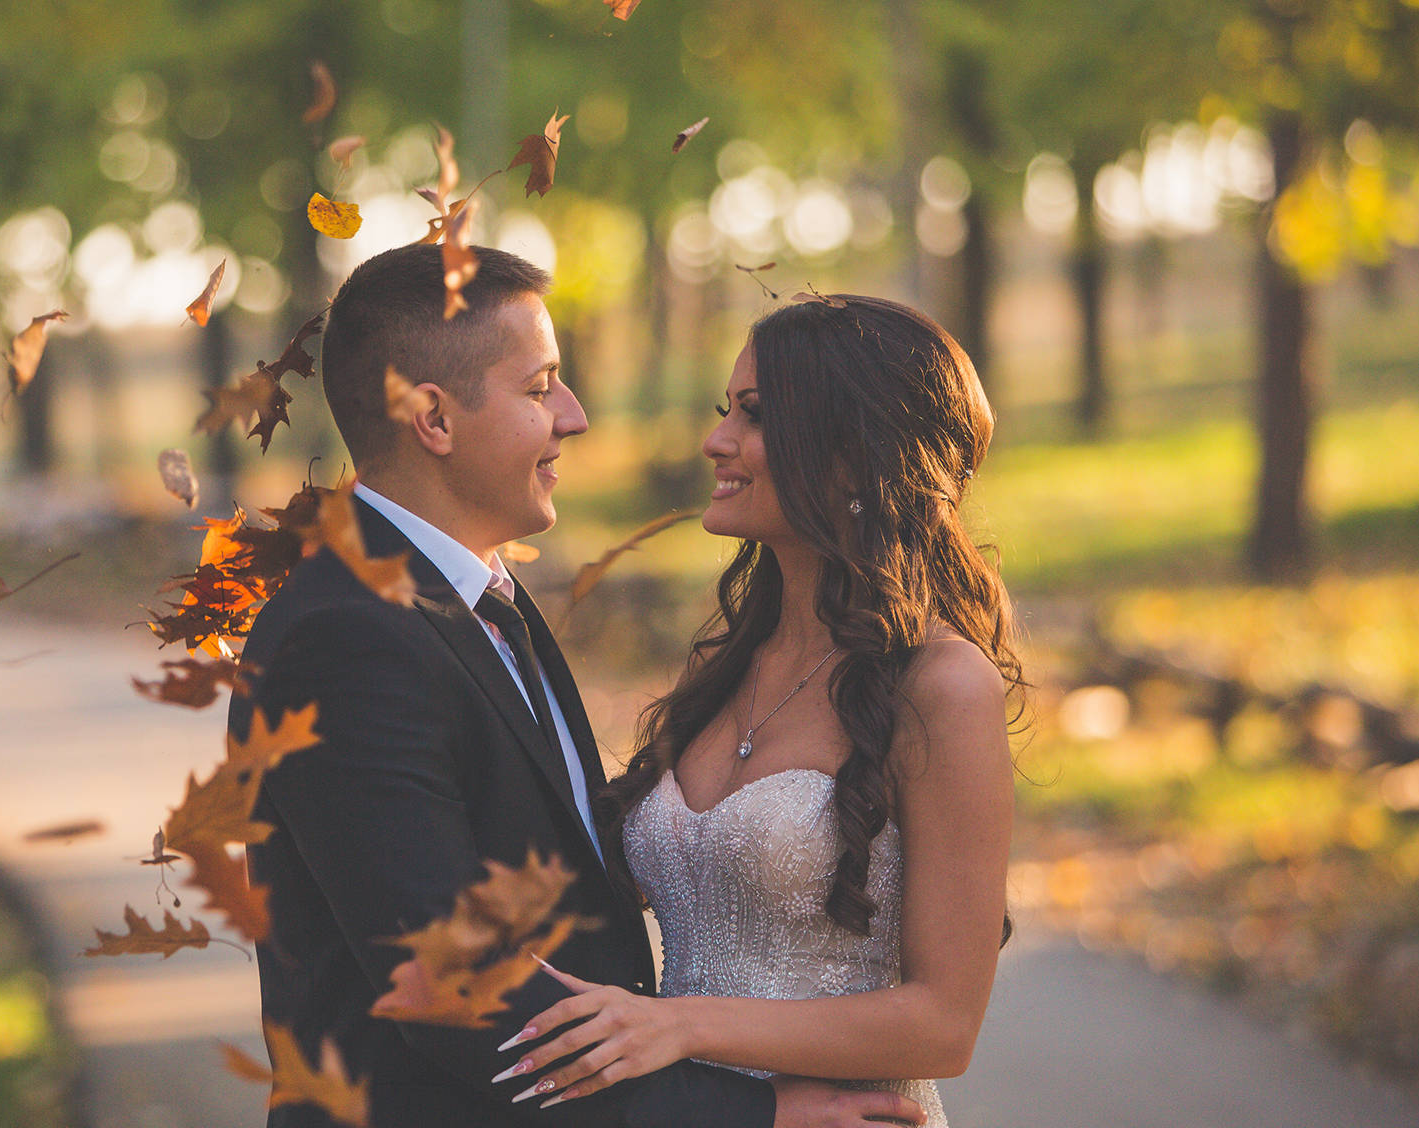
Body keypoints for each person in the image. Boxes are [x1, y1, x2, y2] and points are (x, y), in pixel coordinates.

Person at [232, 246, 926, 1128]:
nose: (577, 416)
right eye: (540, 389)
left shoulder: (482, 598)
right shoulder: (345, 637)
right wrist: (753, 1117)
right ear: (433, 419)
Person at [489, 295, 1024, 1128]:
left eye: (757, 415)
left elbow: (943, 1025)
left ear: (856, 455)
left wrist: (680, 1023)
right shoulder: (724, 667)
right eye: (725, 410)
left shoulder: (943, 686)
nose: (716, 440)